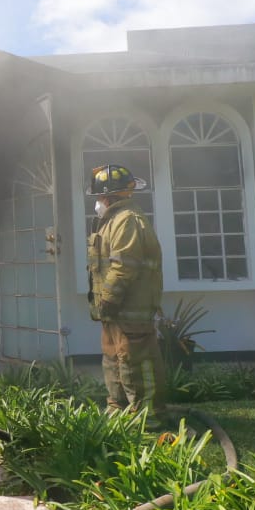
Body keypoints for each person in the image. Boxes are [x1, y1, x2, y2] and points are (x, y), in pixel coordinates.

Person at [85, 164, 166, 418]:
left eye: (99, 197)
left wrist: (107, 299)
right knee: (114, 362)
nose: (97, 202)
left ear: (108, 196)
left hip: (129, 308)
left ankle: (148, 419)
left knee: (135, 363)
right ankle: (119, 413)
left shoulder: (126, 221)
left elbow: (124, 266)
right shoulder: (111, 221)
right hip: (115, 312)